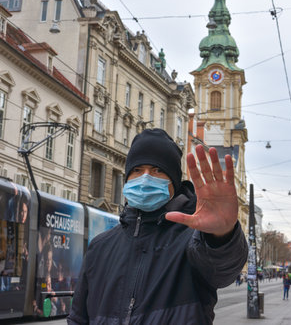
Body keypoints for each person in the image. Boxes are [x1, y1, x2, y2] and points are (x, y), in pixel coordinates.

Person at [68, 129, 248, 325]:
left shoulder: (192, 240)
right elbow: (78, 318)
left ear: (174, 182)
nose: (145, 177)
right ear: (127, 177)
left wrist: (221, 234)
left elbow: (223, 270)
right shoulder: (99, 247)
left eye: (157, 170)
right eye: (137, 170)